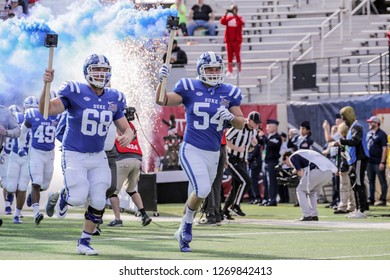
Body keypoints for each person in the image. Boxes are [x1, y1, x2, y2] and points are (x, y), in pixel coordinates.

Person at [41, 53, 134, 256]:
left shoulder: (114, 97)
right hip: (74, 153)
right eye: (96, 69)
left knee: (100, 200)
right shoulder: (74, 90)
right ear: (87, 72)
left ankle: (84, 241)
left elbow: (126, 127)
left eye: (104, 70)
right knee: (77, 197)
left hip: (98, 154)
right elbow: (47, 110)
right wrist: (46, 86)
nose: (101, 73)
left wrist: (128, 134)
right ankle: (63, 197)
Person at [156, 51, 245, 252]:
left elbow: (241, 123)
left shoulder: (229, 92)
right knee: (203, 189)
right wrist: (162, 80)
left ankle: (181, 231)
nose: (213, 72)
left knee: (199, 192)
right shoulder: (189, 87)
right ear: (200, 70)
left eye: (216, 69)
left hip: (214, 153)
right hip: (192, 148)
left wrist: (231, 119)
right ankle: (187, 225)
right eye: (209, 69)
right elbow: (162, 100)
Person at [17, 93, 61, 225]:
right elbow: (22, 131)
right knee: (36, 182)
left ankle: (32, 194)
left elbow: (64, 131)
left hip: (50, 153)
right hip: (36, 152)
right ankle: (36, 214)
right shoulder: (32, 114)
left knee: (45, 185)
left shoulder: (58, 115)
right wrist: (21, 146)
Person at [106, 106, 152, 227]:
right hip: (137, 159)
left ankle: (117, 219)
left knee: (112, 192)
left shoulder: (116, 124)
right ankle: (144, 215)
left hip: (123, 159)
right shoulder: (131, 127)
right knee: (132, 190)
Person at [222, 111, 260, 218]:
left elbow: (248, 147)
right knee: (246, 181)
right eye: (255, 122)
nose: (257, 124)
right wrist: (237, 148)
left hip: (242, 160)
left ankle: (225, 210)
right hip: (232, 159)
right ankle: (235, 205)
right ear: (249, 120)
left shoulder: (253, 132)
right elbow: (226, 140)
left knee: (237, 186)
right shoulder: (238, 127)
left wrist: (253, 145)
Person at [334, 106, 369, 218]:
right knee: (355, 185)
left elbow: (355, 141)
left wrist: (341, 141)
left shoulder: (357, 127)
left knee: (358, 184)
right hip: (354, 160)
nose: (343, 119)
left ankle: (362, 210)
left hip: (360, 159)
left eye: (343, 116)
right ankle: (358, 209)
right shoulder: (353, 128)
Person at [283, 149, 337, 221]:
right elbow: (300, 168)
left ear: (287, 157)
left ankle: (306, 215)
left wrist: (298, 178)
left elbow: (300, 172)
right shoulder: (302, 153)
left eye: (286, 163)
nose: (288, 165)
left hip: (317, 171)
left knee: (300, 190)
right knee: (312, 191)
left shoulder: (292, 157)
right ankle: (314, 215)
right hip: (329, 172)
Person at [0, 104, 21, 227]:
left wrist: (6, 132)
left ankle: (8, 205)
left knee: (6, 182)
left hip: (1, 151)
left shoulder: (5, 112)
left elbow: (17, 130)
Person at [258, 119, 282, 206]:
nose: (267, 128)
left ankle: (272, 199)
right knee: (265, 182)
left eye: (269, 126)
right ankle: (266, 199)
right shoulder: (268, 137)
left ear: (274, 127)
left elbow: (272, 145)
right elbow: (261, 142)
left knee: (271, 182)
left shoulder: (277, 137)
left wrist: (263, 137)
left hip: (272, 162)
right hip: (265, 161)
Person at [366, 116, 388, 206]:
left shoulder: (382, 134)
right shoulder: (369, 133)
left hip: (378, 161)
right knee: (371, 180)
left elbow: (384, 149)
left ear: (376, 123)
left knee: (382, 180)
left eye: (371, 122)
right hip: (369, 161)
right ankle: (371, 198)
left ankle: (383, 199)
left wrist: (382, 162)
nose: (369, 124)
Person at [219, 4, 244, 78]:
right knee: (229, 56)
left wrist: (235, 15)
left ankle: (239, 71)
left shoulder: (239, 18)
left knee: (237, 56)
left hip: (236, 40)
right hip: (229, 40)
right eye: (232, 9)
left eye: (235, 9)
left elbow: (241, 23)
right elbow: (222, 21)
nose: (233, 11)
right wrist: (225, 13)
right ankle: (230, 71)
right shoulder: (229, 18)